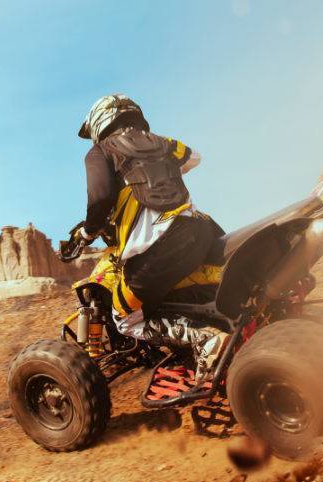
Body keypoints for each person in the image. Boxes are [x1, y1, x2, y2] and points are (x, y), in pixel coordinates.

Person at [71, 93, 226, 382]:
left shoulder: (101, 151)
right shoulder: (162, 143)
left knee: (123, 316)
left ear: (99, 123)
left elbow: (101, 196)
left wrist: (88, 231)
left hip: (164, 241)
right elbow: (193, 156)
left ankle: (205, 339)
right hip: (200, 228)